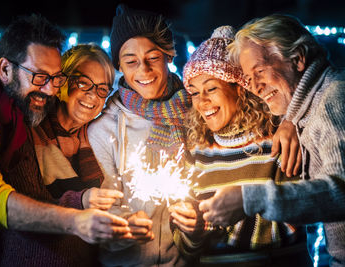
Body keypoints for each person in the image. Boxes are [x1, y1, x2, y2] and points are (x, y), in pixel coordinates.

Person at [0, 14, 130, 266]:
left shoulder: (16, 107)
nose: (50, 89)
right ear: (5, 69)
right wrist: (75, 219)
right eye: (40, 77)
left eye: (55, 78)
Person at [200, 14, 345, 266]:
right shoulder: (307, 108)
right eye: (248, 78)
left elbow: (340, 191)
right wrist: (290, 120)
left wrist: (250, 199)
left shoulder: (334, 98)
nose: (254, 87)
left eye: (260, 71)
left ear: (298, 58)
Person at [168, 25, 311, 267]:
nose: (202, 102)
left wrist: (233, 215)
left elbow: (298, 213)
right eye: (194, 92)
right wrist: (194, 231)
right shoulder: (197, 153)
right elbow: (186, 244)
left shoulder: (277, 142)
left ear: (240, 89)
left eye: (211, 88)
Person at [0, 43, 125, 266]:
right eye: (83, 83)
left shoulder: (96, 138)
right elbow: (25, 214)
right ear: (62, 82)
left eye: (102, 89)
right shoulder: (27, 129)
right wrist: (81, 201)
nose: (92, 95)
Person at [88, 4, 192, 266]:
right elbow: (100, 212)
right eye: (131, 62)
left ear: (169, 56)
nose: (143, 70)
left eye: (153, 57)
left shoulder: (196, 113)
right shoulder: (104, 130)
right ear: (119, 66)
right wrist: (125, 227)